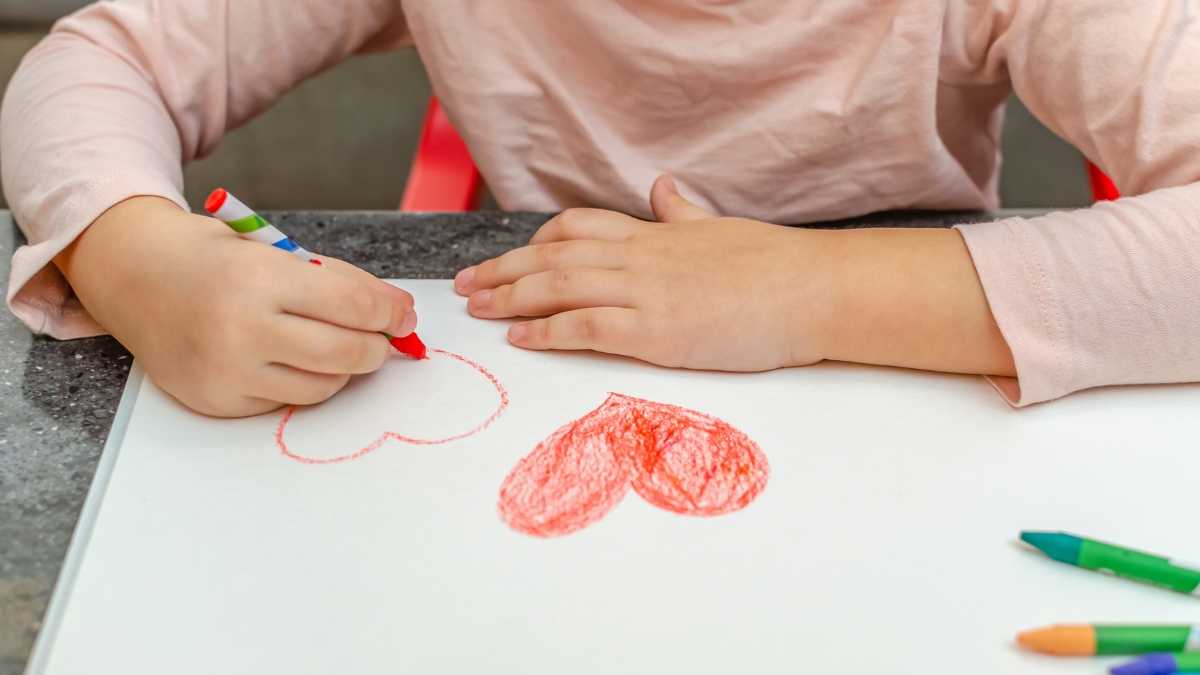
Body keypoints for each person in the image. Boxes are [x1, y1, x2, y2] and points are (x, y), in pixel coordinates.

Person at [3, 0, 1198, 417]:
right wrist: (138, 255)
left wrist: (813, 290)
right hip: (551, 356)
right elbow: (98, 63)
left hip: (913, 360)